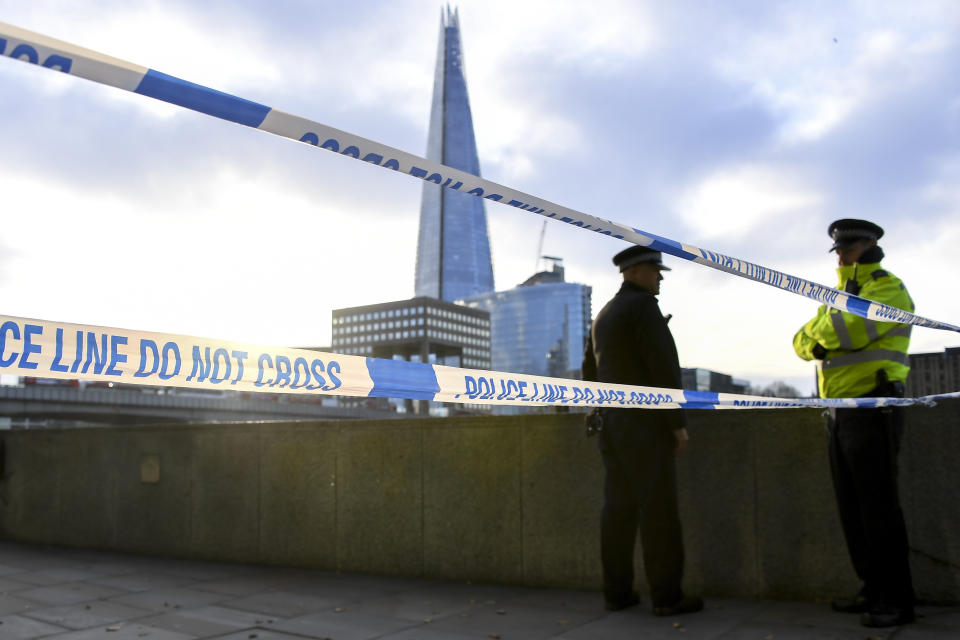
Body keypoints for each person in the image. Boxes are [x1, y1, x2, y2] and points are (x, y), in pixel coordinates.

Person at [792, 218, 916, 628]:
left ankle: (896, 599)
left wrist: (820, 336)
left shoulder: (886, 286)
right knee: (853, 509)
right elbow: (801, 340)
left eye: (847, 249)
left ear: (867, 245)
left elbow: (852, 330)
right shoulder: (837, 296)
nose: (840, 256)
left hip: (873, 408)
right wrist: (818, 336)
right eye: (838, 250)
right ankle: (872, 589)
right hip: (841, 412)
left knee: (878, 508)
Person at [582, 244, 703, 617]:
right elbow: (663, 368)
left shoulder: (603, 315)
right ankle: (667, 597)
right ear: (633, 272)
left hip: (611, 426)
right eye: (655, 270)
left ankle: (616, 593)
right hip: (645, 426)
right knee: (659, 512)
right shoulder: (643, 308)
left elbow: (589, 372)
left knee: (617, 511)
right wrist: (677, 425)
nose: (660, 276)